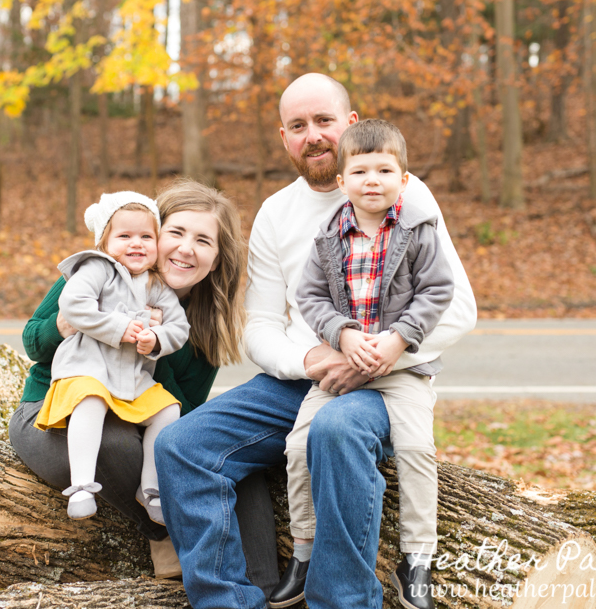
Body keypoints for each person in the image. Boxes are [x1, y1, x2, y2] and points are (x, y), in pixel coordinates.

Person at [155, 73, 477, 609]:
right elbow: (257, 327)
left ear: (349, 124)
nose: (314, 136)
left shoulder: (402, 191)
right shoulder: (277, 213)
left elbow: (457, 308)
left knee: (333, 427)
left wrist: (379, 354)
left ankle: (343, 600)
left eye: (324, 121)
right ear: (285, 138)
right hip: (306, 377)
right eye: (298, 127)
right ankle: (228, 600)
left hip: (386, 382)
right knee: (182, 445)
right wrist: (312, 357)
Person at [9, 180, 277, 582]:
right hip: (55, 414)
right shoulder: (101, 271)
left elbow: (183, 414)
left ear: (218, 259)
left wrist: (155, 345)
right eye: (176, 232)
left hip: (138, 417)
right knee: (114, 440)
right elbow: (32, 341)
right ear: (152, 232)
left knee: (238, 463)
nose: (186, 248)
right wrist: (71, 323)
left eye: (204, 240)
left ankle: (267, 586)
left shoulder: (201, 326)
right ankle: (162, 533)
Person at [270, 119, 455, 609]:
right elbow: (307, 295)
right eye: (360, 171)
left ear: (404, 178)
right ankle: (305, 550)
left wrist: (399, 340)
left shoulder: (418, 229)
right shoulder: (328, 237)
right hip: (343, 367)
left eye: (384, 170)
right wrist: (342, 332)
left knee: (416, 450)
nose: (372, 180)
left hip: (402, 372)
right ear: (341, 180)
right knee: (297, 446)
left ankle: (417, 558)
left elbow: (439, 291)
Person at [31, 191, 190, 521]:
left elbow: (179, 327)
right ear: (104, 241)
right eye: (125, 236)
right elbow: (74, 305)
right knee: (90, 400)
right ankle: (82, 486)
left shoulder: (155, 284)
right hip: (86, 369)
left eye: (147, 236)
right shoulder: (97, 269)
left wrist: (156, 338)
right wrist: (119, 326)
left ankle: (150, 488)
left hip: (132, 379)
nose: (137, 244)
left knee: (168, 410)